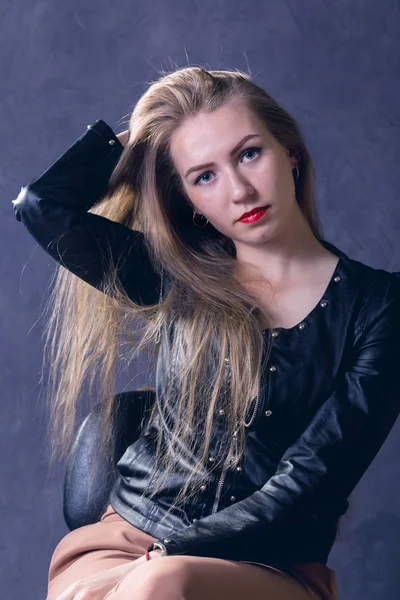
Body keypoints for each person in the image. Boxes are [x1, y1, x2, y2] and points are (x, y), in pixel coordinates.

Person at [12, 66, 400, 600]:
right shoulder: (178, 276)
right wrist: (145, 139)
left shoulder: (380, 307)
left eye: (248, 153)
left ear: (290, 150)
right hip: (125, 536)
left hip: (269, 561)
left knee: (164, 584)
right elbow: (41, 207)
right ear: (188, 198)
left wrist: (171, 555)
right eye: (204, 176)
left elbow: (312, 480)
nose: (240, 190)